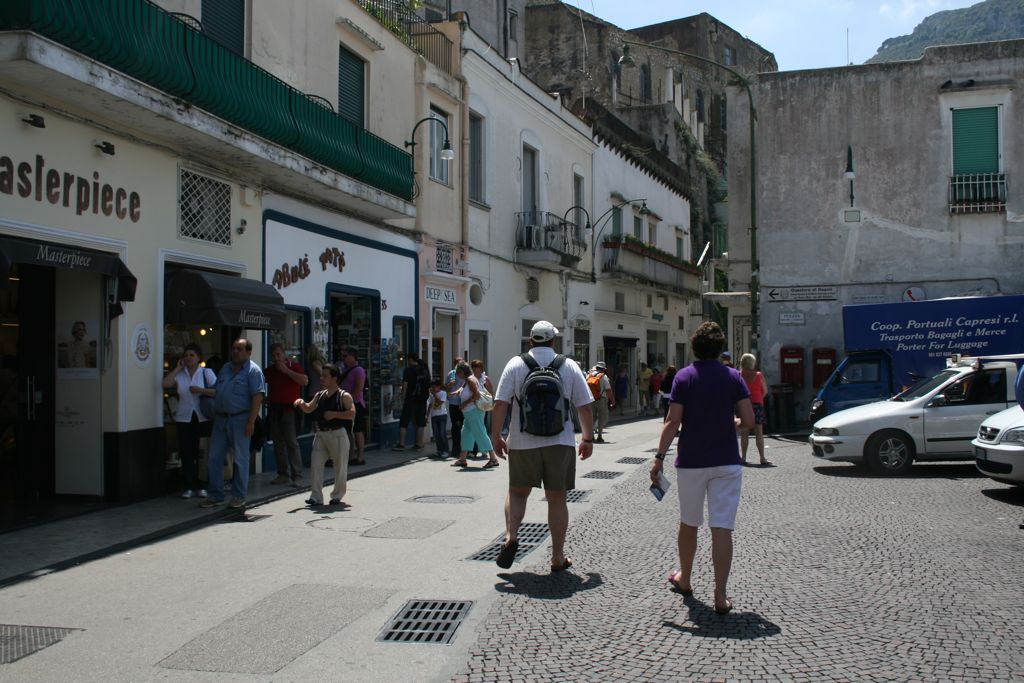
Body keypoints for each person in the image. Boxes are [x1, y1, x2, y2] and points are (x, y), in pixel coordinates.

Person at [650, 322, 754, 615]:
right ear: (720, 349)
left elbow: (672, 421)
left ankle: (685, 579)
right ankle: (720, 596)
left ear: (694, 348)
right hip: (726, 460)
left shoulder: (684, 377)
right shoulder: (733, 377)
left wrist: (659, 457)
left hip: (692, 461)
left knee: (689, 522)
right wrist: (731, 423)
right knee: (722, 528)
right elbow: (748, 419)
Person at [491, 320, 595, 572]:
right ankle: (557, 557)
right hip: (560, 442)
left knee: (517, 492)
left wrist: (496, 436)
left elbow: (500, 404)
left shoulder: (515, 364)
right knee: (557, 499)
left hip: (522, 441)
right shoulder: (569, 366)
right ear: (554, 340)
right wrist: (588, 438)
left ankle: (511, 536)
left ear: (530, 340)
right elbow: (584, 406)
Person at [200, 338, 266, 510]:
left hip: (241, 419)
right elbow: (217, 390)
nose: (235, 351)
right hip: (221, 419)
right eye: (234, 348)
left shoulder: (253, 371)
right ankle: (215, 495)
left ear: (248, 352)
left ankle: (238, 496)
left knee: (240, 460)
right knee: (214, 458)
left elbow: (257, 397)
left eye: (240, 349)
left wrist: (251, 421)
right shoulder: (225, 368)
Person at [294, 364, 355, 506]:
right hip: (321, 435)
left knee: (340, 467)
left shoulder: (343, 396)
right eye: (321, 375)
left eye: (325, 376)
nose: (321, 378)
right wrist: (302, 403)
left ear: (334, 378)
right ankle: (316, 496)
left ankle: (337, 495)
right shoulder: (319, 394)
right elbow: (309, 408)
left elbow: (352, 413)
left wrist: (334, 414)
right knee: (316, 465)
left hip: (338, 434)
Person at [162, 343, 215, 499]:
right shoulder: (180, 374)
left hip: (203, 417)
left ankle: (203, 485)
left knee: (202, 453)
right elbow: (165, 384)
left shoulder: (207, 373)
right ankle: (189, 486)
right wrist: (178, 368)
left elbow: (217, 391)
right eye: (186, 355)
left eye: (192, 355)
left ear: (199, 358)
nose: (188, 358)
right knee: (186, 452)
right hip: (184, 418)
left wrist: (201, 390)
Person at [264, 343, 308, 486]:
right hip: (275, 409)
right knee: (278, 443)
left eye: (278, 354)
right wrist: (264, 399)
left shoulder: (293, 366)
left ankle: (297, 475)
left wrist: (287, 371)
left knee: (291, 442)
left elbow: (305, 381)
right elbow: (257, 384)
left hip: (290, 409)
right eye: (274, 355)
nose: (276, 358)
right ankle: (282, 474)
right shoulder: (269, 371)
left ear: (284, 354)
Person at [450, 361, 500, 468]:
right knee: (466, 433)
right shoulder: (468, 379)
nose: (457, 375)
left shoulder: (470, 380)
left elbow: (476, 395)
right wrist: (457, 392)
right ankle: (463, 459)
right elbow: (463, 388)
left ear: (463, 372)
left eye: (458, 372)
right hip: (470, 413)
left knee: (480, 433)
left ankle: (493, 458)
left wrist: (464, 403)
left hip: (473, 411)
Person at [739, 353, 772, 467]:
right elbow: (765, 391)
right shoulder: (759, 375)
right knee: (759, 433)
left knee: (744, 433)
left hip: (744, 405)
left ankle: (743, 457)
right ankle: (762, 457)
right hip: (757, 405)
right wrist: (758, 398)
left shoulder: (739, 375)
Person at [394, 353, 429, 451]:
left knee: (404, 421)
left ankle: (401, 444)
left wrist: (403, 397)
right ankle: (419, 443)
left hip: (411, 398)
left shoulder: (409, 370)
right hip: (422, 399)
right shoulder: (424, 369)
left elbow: (405, 384)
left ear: (410, 359)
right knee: (420, 422)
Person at [340, 349, 367, 465]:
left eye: (346, 355)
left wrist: (349, 400)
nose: (343, 357)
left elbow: (359, 388)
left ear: (352, 357)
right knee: (349, 431)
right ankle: (351, 455)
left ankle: (360, 456)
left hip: (356, 404)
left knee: (357, 430)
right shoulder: (345, 370)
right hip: (345, 404)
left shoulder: (359, 370)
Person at [469, 359, 495, 458]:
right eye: (474, 367)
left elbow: (491, 393)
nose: (475, 369)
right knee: (474, 428)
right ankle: (474, 450)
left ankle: (484, 450)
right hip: (472, 406)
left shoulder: (485, 379)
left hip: (483, 406)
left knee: (481, 428)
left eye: (477, 367)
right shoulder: (470, 378)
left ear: (481, 368)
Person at [586, 361, 613, 442]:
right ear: (603, 369)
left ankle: (591, 435)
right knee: (601, 418)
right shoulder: (603, 377)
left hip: (591, 399)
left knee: (592, 417)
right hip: (601, 399)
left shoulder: (588, 375)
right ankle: (599, 436)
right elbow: (608, 390)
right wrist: (612, 400)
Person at [445, 357, 466, 456]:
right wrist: (450, 385)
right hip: (454, 403)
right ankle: (456, 449)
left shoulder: (467, 373)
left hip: (465, 403)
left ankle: (466, 448)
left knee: (465, 426)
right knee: (456, 426)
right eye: (459, 364)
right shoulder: (453, 373)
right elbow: (447, 386)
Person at [427, 378, 450, 459]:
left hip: (442, 415)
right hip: (434, 416)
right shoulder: (431, 395)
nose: (433, 389)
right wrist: (427, 415)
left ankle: (446, 451)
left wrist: (435, 395)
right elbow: (430, 405)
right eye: (432, 387)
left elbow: (440, 402)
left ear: (438, 386)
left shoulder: (443, 393)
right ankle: (439, 450)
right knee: (436, 434)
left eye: (434, 387)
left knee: (442, 433)